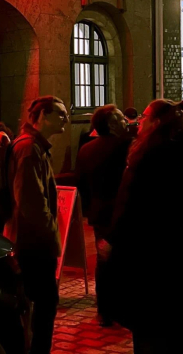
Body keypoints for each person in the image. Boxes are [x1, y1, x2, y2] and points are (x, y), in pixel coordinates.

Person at [104, 100, 183, 353]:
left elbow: (132, 205)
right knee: (179, 322)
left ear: (157, 123)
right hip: (179, 251)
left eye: (145, 116)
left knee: (153, 326)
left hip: (152, 254)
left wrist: (115, 240)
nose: (139, 121)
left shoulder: (151, 158)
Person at [4, 96, 67, 354]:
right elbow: (31, 203)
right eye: (60, 113)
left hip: (28, 239)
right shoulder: (29, 148)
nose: (66, 118)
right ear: (42, 116)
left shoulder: (32, 145)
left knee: (37, 303)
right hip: (33, 242)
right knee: (44, 303)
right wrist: (51, 235)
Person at [74, 104, 131, 326]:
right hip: (123, 213)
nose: (126, 121)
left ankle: (105, 311)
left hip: (99, 215)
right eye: (121, 118)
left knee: (104, 261)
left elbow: (81, 184)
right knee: (125, 261)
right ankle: (122, 308)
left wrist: (91, 209)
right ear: (111, 124)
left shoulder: (86, 149)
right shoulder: (126, 146)